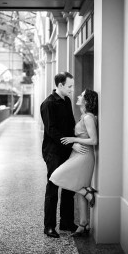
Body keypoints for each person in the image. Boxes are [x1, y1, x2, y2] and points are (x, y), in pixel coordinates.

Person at [40, 72, 86, 238]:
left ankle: (66, 222)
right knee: (53, 187)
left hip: (68, 150)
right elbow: (51, 131)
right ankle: (49, 226)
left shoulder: (66, 101)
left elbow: (70, 124)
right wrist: (72, 143)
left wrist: (77, 140)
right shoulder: (47, 104)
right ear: (59, 85)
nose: (72, 89)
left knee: (68, 187)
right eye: (69, 86)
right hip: (53, 152)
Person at [50, 89, 99, 238]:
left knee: (56, 176)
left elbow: (94, 140)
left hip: (84, 156)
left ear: (86, 100)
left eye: (81, 95)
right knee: (79, 192)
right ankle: (83, 225)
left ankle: (86, 192)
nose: (78, 96)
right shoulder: (84, 116)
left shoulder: (88, 117)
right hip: (77, 154)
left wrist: (73, 139)